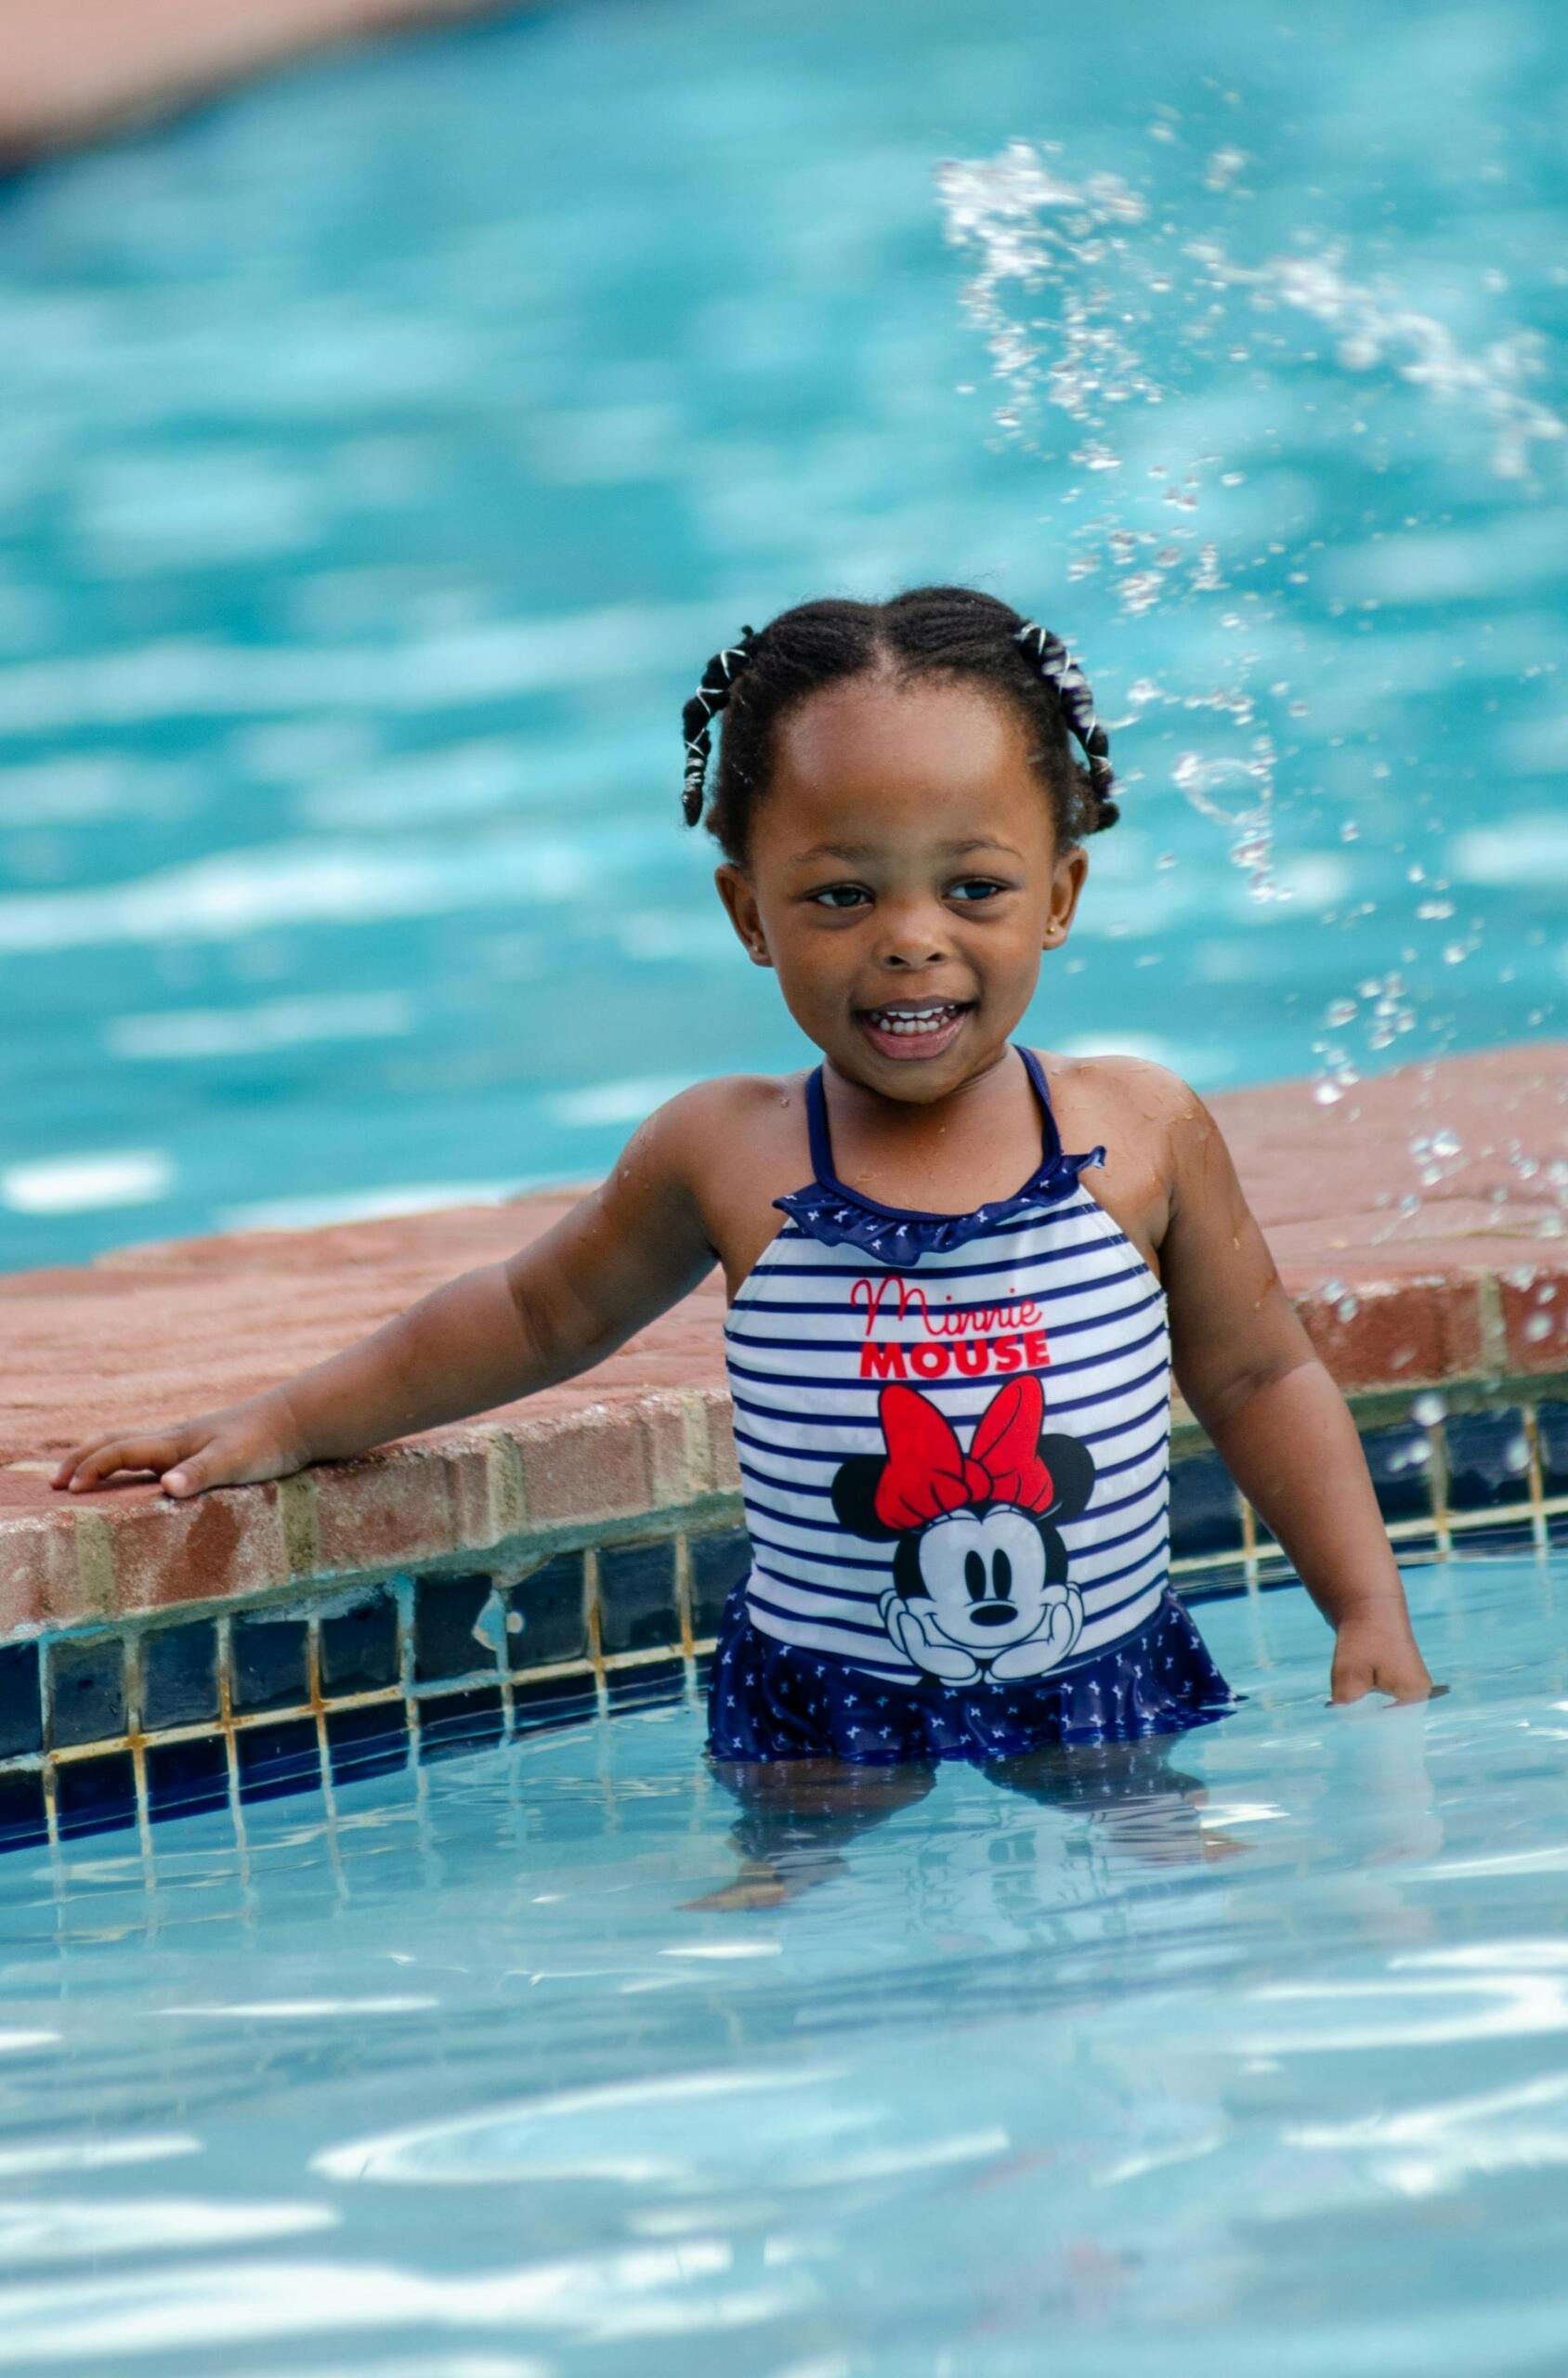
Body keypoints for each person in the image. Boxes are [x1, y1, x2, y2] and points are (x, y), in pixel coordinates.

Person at [53, 586, 1434, 1829]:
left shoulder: (1140, 1133)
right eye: (841, 893)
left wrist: (1365, 1609)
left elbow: (1258, 1371)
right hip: (821, 1717)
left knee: (1165, 1933)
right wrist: (289, 1423)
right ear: (747, 911)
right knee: (817, 1967)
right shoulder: (728, 1154)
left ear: (1059, 894)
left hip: (1103, 1673)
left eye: (975, 886)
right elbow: (537, 1313)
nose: (909, 935)